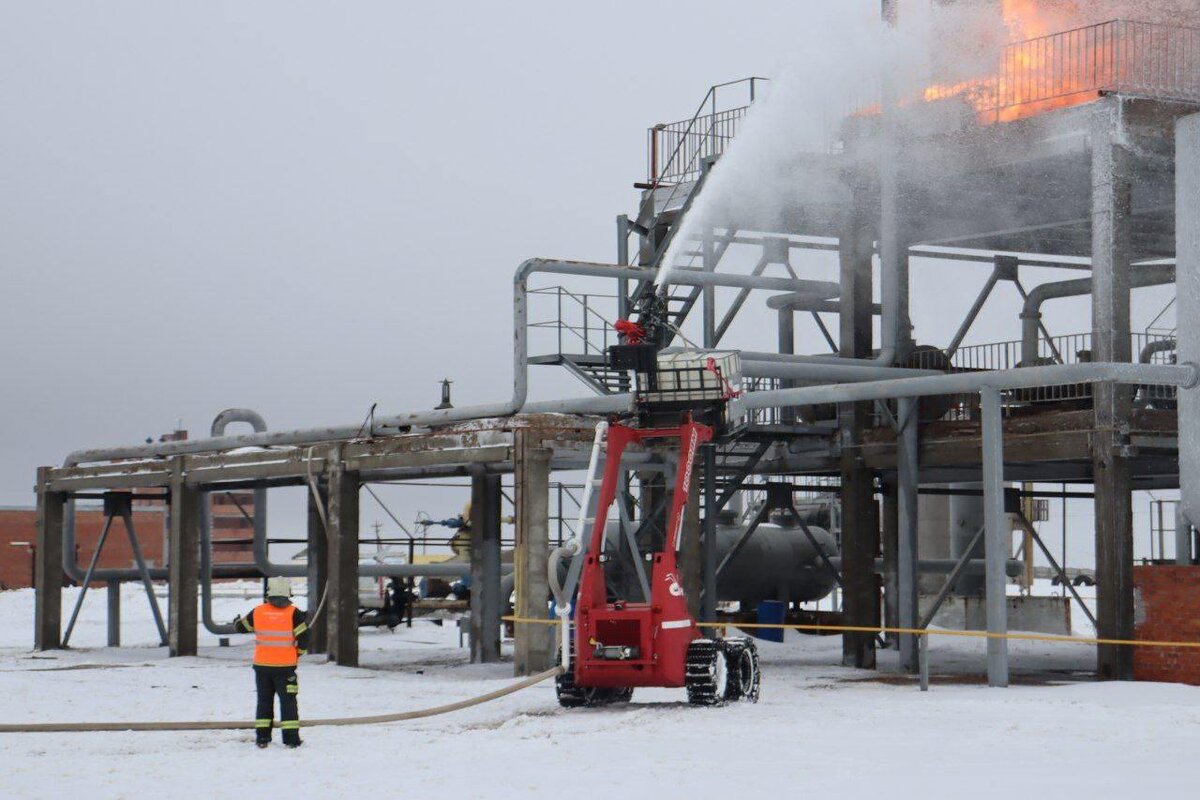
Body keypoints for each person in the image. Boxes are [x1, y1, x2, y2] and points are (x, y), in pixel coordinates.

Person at [234, 577, 309, 748]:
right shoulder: (294, 613)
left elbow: (241, 627)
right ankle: (291, 740)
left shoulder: (258, 612)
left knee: (264, 702)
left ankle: (262, 738)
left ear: (269, 594)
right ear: (288, 594)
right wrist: (299, 653)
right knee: (288, 702)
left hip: (262, 667)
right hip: (286, 669)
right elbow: (304, 638)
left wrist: (236, 621)